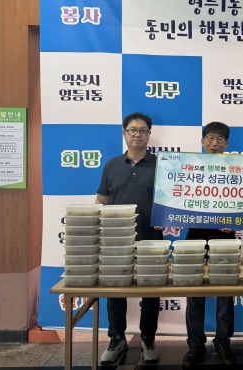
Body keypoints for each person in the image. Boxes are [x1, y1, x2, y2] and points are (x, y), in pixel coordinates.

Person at [96, 112, 164, 364]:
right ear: (124, 133)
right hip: (117, 240)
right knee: (115, 290)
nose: (138, 134)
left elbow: (172, 199)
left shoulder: (161, 164)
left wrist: (166, 217)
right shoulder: (111, 165)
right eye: (133, 130)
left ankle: (148, 338)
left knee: (151, 291)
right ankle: (117, 338)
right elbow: (102, 201)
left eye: (143, 130)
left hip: (152, 238)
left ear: (149, 134)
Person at [182, 122, 237, 367]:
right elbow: (178, 197)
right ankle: (195, 344)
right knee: (194, 293)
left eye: (220, 139)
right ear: (202, 141)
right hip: (195, 237)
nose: (215, 143)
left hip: (224, 240)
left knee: (225, 294)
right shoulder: (188, 167)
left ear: (227, 144)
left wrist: (234, 221)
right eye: (210, 138)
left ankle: (223, 342)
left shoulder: (237, 170)